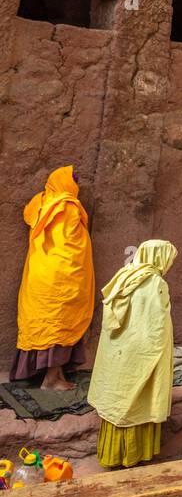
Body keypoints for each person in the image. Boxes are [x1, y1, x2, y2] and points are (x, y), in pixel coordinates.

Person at [88, 240, 177, 469]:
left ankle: (112, 456)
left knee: (120, 402)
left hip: (119, 355)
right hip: (142, 356)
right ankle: (133, 457)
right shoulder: (156, 282)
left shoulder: (124, 275)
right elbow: (158, 328)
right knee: (138, 403)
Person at [12, 165, 95, 391]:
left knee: (47, 323)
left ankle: (55, 374)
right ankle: (50, 380)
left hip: (40, 274)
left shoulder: (39, 204)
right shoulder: (66, 206)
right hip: (61, 275)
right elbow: (70, 243)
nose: (75, 188)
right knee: (59, 324)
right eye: (74, 183)